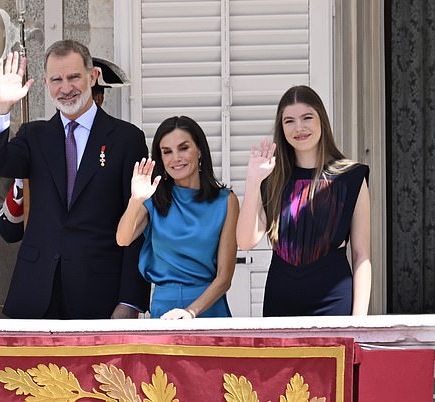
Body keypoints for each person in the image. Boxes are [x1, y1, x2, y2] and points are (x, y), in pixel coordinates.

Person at [0, 40, 150, 319]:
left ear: (92, 76)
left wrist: (130, 300)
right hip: (35, 294)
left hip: (99, 294)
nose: (66, 88)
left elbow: (138, 223)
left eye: (73, 77)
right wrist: (1, 108)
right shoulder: (34, 137)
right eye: (56, 79)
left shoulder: (126, 139)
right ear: (46, 83)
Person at [236, 85, 371, 316]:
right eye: (289, 121)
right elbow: (246, 241)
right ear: (282, 127)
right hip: (280, 301)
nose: (299, 127)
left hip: (334, 301)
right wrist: (253, 181)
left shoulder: (352, 177)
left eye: (307, 117)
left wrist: (359, 322)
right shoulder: (271, 178)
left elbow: (362, 256)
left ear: (322, 120)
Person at [116, 116, 239, 319]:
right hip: (164, 309)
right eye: (167, 152)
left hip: (208, 308)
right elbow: (123, 238)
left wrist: (190, 312)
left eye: (183, 148)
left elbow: (224, 278)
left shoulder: (226, 201)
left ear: (199, 150)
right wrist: (136, 199)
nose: (176, 158)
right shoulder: (153, 197)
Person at [0, 57, 131, 244]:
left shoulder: (121, 141)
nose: (69, 93)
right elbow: (9, 231)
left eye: (91, 94)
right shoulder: (39, 143)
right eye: (59, 82)